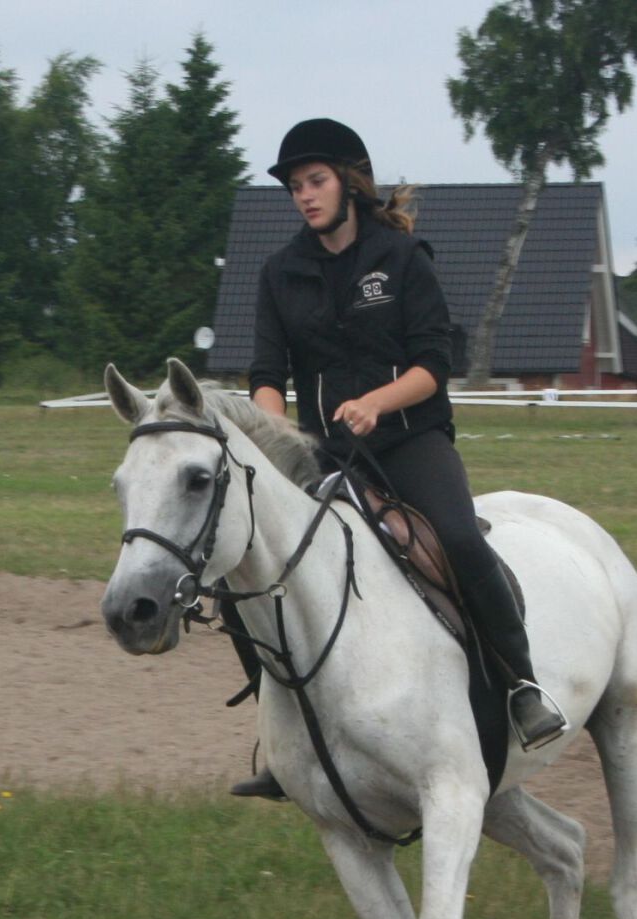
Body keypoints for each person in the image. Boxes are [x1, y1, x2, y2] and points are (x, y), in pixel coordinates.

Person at [231, 117, 568, 801]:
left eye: (315, 181)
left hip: (410, 441)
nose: (304, 195)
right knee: (248, 567)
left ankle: (522, 686)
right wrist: (273, 435)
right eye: (295, 187)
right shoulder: (279, 273)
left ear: (349, 183)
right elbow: (267, 374)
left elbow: (433, 365)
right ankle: (285, 734)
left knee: (462, 540)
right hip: (324, 453)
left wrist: (377, 404)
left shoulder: (403, 258)